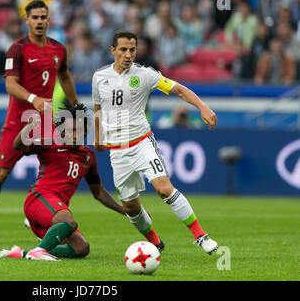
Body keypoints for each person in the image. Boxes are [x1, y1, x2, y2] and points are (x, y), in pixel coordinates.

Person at [92, 30, 219, 254]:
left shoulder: (145, 75)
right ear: (112, 51)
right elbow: (98, 108)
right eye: (123, 50)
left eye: (132, 49)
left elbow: (178, 89)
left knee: (163, 188)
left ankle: (200, 235)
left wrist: (202, 107)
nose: (128, 54)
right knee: (130, 206)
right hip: (117, 149)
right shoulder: (99, 77)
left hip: (141, 142)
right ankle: (154, 241)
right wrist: (97, 137)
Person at [0, 0, 78, 244]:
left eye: (43, 17)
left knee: (61, 170)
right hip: (18, 122)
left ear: (49, 19)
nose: (40, 21)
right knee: (1, 173)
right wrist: (34, 99)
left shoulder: (59, 50)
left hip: (46, 123)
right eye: (35, 17)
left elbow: (65, 77)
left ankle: (42, 212)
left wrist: (76, 108)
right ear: (27, 20)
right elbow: (10, 84)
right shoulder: (17, 49)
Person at [0, 102, 126, 261]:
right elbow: (18, 146)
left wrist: (125, 211)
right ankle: (38, 251)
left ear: (86, 131)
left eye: (79, 130)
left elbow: (98, 192)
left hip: (55, 218)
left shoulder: (88, 156)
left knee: (81, 248)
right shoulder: (50, 143)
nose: (74, 135)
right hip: (38, 200)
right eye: (71, 130)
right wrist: (29, 127)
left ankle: (22, 253)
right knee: (70, 221)